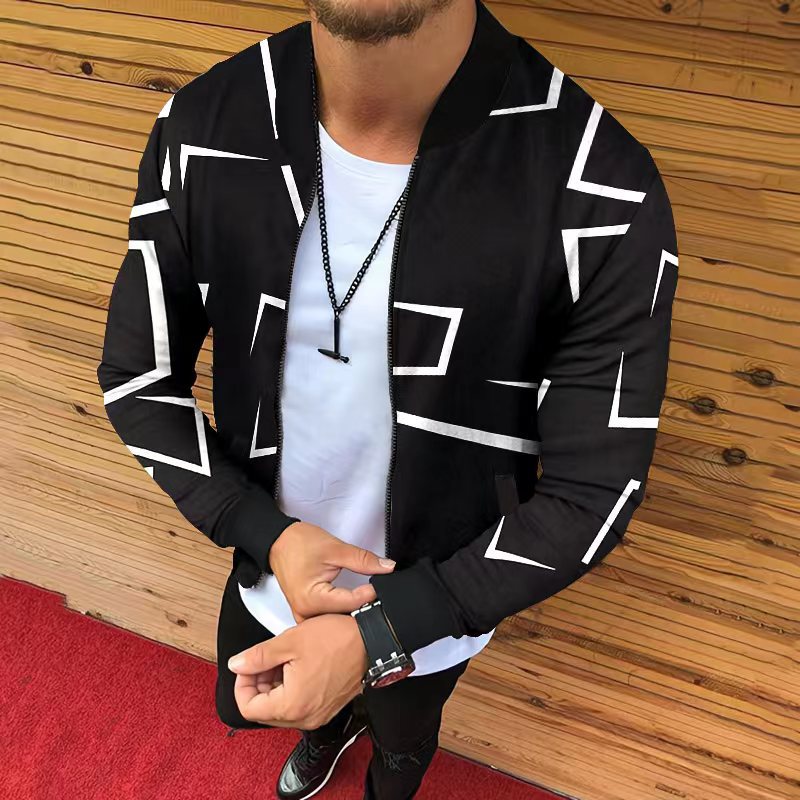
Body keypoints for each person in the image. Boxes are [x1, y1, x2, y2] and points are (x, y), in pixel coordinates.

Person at [96, 1, 679, 798]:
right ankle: (326, 735)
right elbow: (137, 378)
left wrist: (384, 632)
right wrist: (263, 533)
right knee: (286, 708)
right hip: (269, 572)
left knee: (404, 744)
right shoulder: (204, 124)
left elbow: (595, 492)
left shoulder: (601, 182)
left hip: (441, 599)